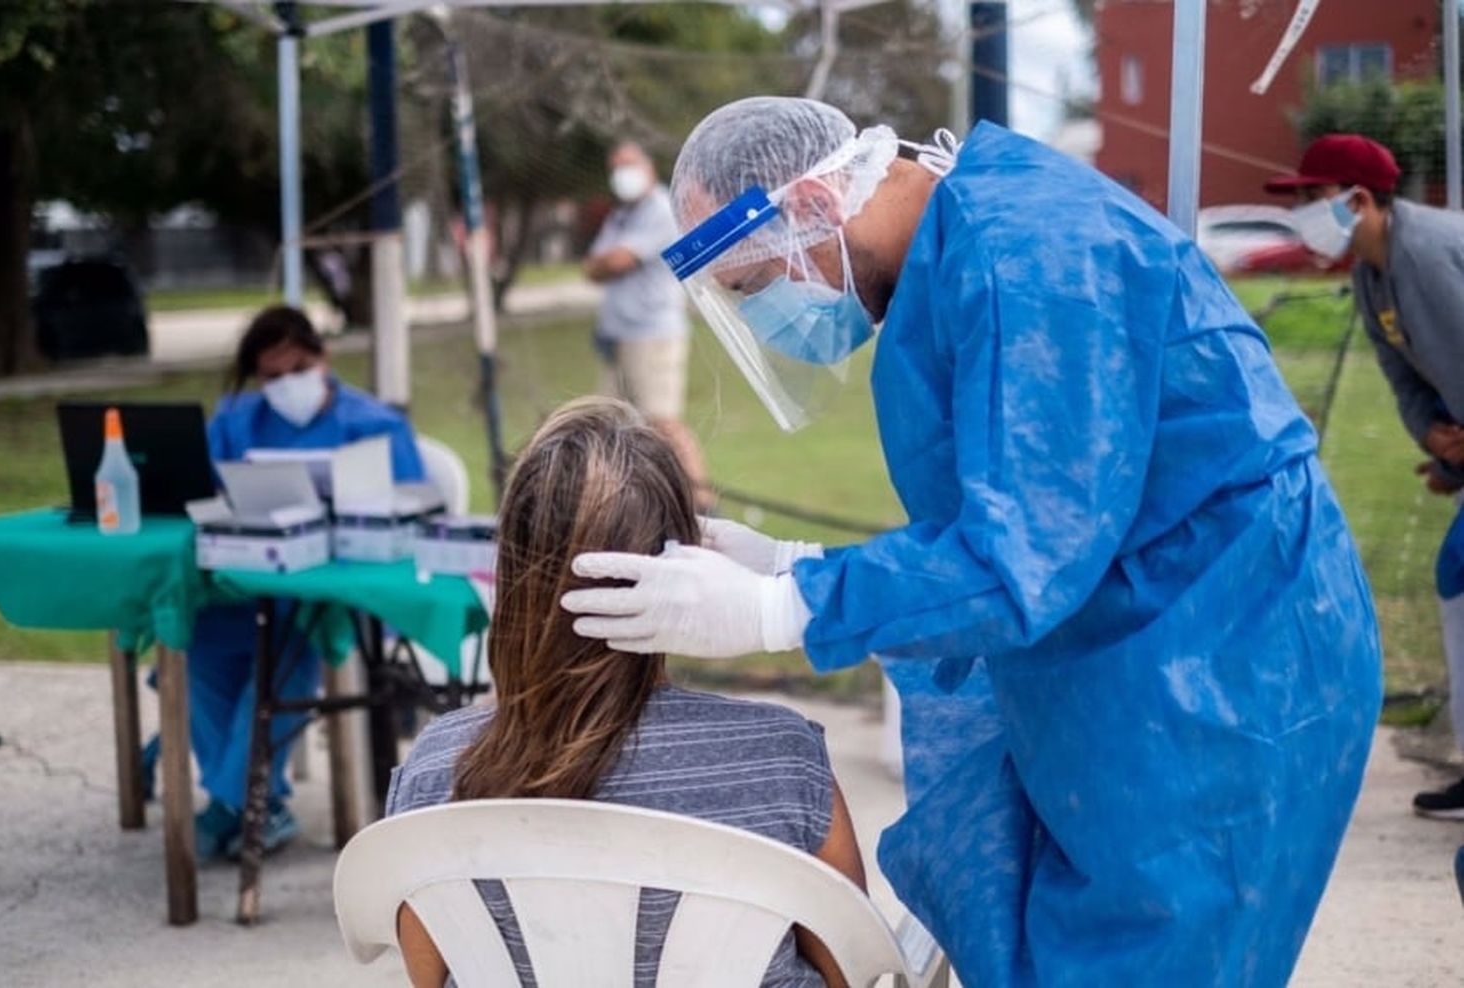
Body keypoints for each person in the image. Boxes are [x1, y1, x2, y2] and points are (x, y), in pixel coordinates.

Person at [560, 96, 1383, 986]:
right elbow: (1015, 516)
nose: (774, 317)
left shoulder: (1029, 258)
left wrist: (783, 605)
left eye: (759, 286)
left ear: (814, 206)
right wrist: (803, 565)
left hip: (1223, 660)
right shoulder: (961, 249)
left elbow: (1018, 559)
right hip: (1140, 633)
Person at [385, 397, 863, 988]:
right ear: (689, 562)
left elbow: (429, 978)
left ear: (511, 566)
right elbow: (853, 972)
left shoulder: (437, 772)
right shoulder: (782, 759)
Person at [1268, 134, 1464, 820]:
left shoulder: (1423, 252)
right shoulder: (1370, 273)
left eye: (1312, 198)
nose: (1303, 212)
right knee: (1457, 574)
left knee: (1459, 570)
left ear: (1358, 200)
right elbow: (1406, 379)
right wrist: (1436, 441)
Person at [189, 304, 424, 862]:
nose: (286, 385)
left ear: (322, 358)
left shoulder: (376, 425)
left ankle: (229, 805)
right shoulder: (234, 423)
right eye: (271, 377)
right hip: (248, 586)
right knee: (197, 642)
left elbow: (414, 514)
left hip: (336, 599)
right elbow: (198, 495)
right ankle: (260, 802)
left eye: (297, 369)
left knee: (291, 645)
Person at [583, 141, 709, 505]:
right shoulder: (621, 216)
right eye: (615, 166)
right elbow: (592, 267)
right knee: (613, 424)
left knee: (663, 423)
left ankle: (705, 507)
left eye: (629, 164)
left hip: (654, 336)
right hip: (618, 336)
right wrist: (603, 263)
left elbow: (617, 261)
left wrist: (605, 263)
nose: (622, 173)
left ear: (648, 166)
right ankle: (624, 504)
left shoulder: (660, 209)